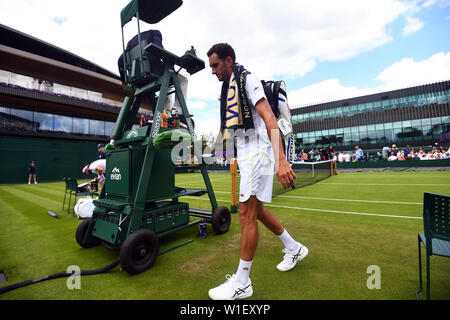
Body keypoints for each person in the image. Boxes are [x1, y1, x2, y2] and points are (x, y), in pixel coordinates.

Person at [206, 43, 307, 300]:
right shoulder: (229, 88)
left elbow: (270, 119)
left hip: (259, 153)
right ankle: (293, 248)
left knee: (246, 213)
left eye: (216, 65)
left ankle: (242, 282)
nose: (213, 71)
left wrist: (281, 160)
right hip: (248, 155)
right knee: (257, 210)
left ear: (229, 60)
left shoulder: (247, 80)